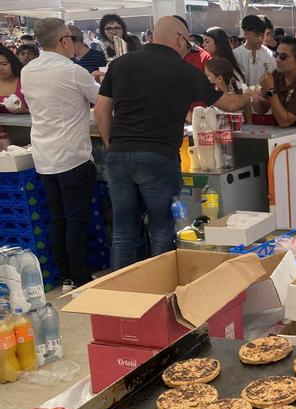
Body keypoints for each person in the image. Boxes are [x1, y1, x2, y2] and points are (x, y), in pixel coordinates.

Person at [94, 16, 251, 270]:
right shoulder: (185, 71)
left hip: (118, 156)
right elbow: (230, 104)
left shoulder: (121, 64)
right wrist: (253, 94)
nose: (188, 47)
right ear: (179, 39)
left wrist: (112, 145)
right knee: (161, 228)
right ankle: (161, 289)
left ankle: (120, 293)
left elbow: (101, 111)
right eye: (187, 43)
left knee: (123, 231)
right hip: (158, 156)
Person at [21, 18, 100, 290]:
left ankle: (66, 275)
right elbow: (100, 100)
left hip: (44, 156)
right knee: (76, 221)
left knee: (59, 219)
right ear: (64, 41)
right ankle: (80, 278)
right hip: (72, 156)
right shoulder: (72, 70)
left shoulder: (28, 70)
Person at [233, 15, 276, 87]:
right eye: (256, 36)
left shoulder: (270, 55)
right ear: (245, 32)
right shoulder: (235, 55)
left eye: (262, 36)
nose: (260, 39)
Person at [0, 46, 26, 113]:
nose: (1, 69)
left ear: (13, 63)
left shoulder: (25, 80)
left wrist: (25, 110)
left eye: (4, 64)